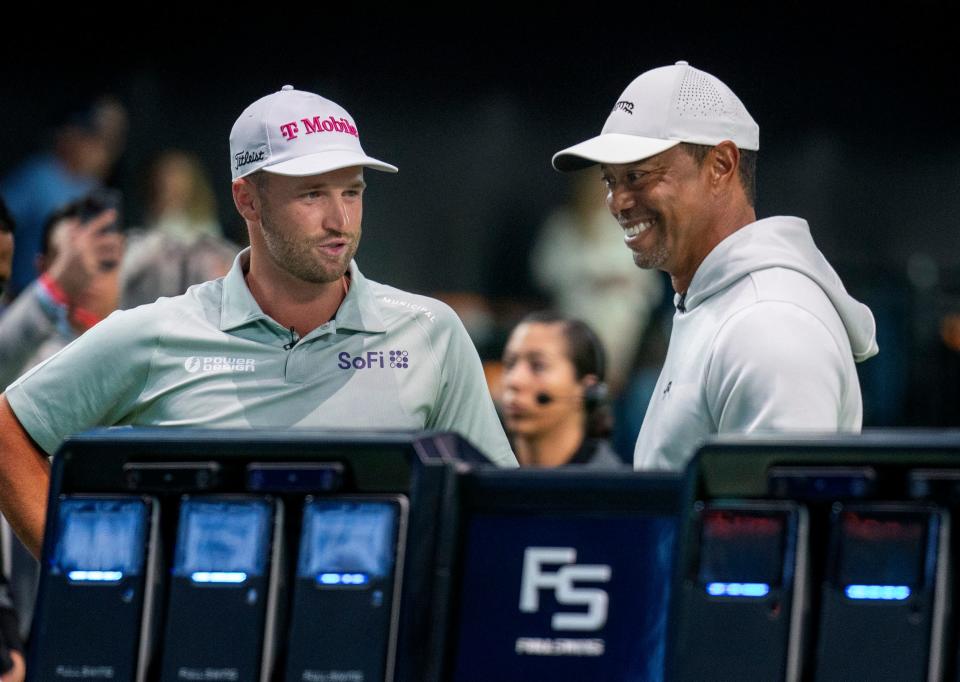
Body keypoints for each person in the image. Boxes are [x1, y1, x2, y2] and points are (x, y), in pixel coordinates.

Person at [0, 85, 516, 558]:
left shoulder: (430, 332)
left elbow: (495, 508)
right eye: (312, 193)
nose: (340, 220)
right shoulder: (155, 334)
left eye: (352, 192)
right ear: (247, 199)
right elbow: (8, 430)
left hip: (377, 648)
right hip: (200, 651)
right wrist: (83, 572)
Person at [552, 61, 879, 471]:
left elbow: (771, 527)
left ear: (721, 165)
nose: (617, 202)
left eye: (637, 175)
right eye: (610, 181)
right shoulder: (716, 303)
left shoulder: (769, 323)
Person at [0, 196, 123, 389]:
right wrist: (55, 288)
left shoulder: (149, 352)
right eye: (70, 257)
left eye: (103, 257)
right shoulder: (20, 355)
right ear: (42, 268)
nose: (86, 271)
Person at [500, 311, 621, 468]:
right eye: (510, 364)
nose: (514, 380)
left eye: (538, 366)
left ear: (586, 389)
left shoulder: (612, 488)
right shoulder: (474, 477)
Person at [120, 150, 239, 309]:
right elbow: (122, 275)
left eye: (177, 178)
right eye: (165, 179)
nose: (171, 184)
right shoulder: (144, 240)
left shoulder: (211, 242)